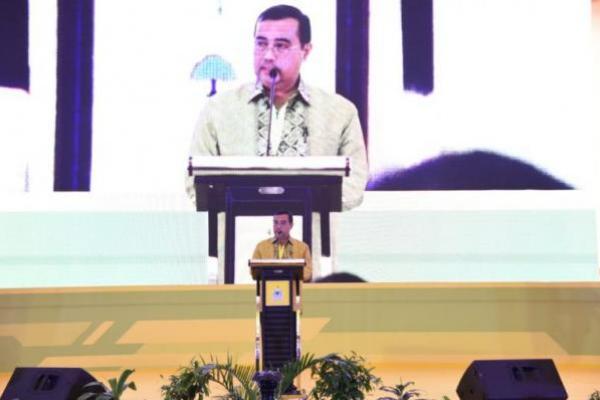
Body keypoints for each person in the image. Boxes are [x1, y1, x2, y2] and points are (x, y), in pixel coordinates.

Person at [186, 4, 368, 211]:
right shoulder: (218, 110)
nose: (268, 56)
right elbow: (194, 182)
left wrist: (299, 209)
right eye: (261, 44)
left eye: (281, 46)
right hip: (237, 230)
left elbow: (355, 183)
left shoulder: (340, 112)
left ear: (306, 50)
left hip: (311, 230)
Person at [253, 211, 312, 282]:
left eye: (283, 223)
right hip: (268, 287)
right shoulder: (261, 246)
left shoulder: (303, 247)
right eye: (275, 222)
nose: (278, 226)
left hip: (294, 287)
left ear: (291, 225)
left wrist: (286, 276)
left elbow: (308, 272)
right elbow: (253, 270)